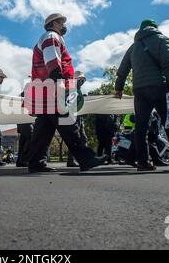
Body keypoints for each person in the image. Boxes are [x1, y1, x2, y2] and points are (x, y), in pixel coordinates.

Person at [115, 19, 169, 172]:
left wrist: (119, 88)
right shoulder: (162, 40)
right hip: (159, 87)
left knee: (141, 127)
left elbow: (122, 70)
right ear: (155, 28)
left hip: (140, 90)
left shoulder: (133, 47)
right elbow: (167, 64)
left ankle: (142, 162)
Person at [24, 13, 107, 173]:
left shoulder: (48, 37)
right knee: (68, 124)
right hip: (54, 89)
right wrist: (61, 84)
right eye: (61, 22)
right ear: (54, 23)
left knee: (43, 130)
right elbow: (53, 62)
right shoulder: (51, 36)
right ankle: (86, 159)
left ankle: (35, 163)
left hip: (45, 90)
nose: (64, 25)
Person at [66, 71, 88, 167]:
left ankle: (83, 158)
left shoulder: (77, 89)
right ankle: (73, 160)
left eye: (83, 80)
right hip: (73, 117)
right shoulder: (71, 88)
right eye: (80, 79)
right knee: (77, 138)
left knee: (82, 138)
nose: (82, 82)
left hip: (78, 117)